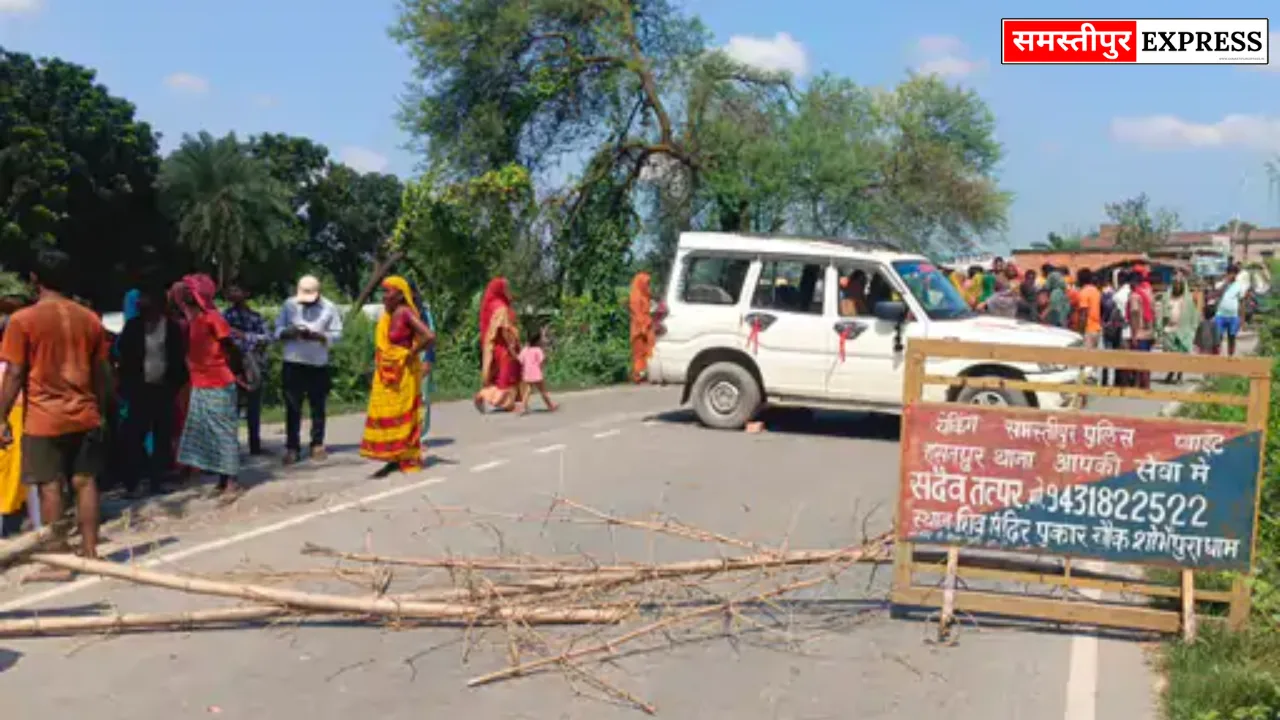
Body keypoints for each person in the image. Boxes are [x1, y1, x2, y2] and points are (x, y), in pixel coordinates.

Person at [0, 250, 110, 567]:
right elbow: (101, 372)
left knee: (50, 486)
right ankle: (90, 552)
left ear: (35, 279)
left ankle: (59, 559)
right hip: (85, 412)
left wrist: (1, 416)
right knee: (85, 482)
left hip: (44, 417)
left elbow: (15, 373)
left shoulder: (23, 321)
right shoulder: (89, 319)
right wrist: (101, 409)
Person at [173, 274, 245, 498]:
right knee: (210, 433)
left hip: (218, 382)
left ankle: (231, 481)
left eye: (188, 291)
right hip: (201, 382)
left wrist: (239, 372)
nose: (184, 294)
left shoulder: (213, 318)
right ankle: (223, 479)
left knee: (223, 431)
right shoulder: (195, 320)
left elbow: (230, 346)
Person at [117, 286, 188, 497]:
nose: (141, 303)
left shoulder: (171, 328)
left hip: (163, 390)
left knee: (162, 436)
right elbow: (124, 356)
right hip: (139, 390)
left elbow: (178, 358)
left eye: (145, 298)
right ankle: (133, 482)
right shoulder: (133, 327)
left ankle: (157, 481)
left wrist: (174, 386)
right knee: (133, 436)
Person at [360, 276, 434, 476]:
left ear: (401, 295)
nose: (384, 296)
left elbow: (429, 336)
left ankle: (406, 457)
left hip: (404, 373)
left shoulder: (405, 312)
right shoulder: (387, 315)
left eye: (388, 292)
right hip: (387, 371)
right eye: (383, 292)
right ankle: (393, 456)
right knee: (387, 413)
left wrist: (411, 353)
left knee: (403, 413)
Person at [275, 275, 344, 465]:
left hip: (317, 363)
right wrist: (287, 332)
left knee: (318, 405)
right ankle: (292, 446)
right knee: (292, 406)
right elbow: (277, 329)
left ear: (319, 293)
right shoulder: (289, 305)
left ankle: (317, 443)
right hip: (293, 362)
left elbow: (338, 333)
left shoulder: (329, 307)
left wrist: (321, 337)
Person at [223, 284, 271, 456]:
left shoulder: (255, 317)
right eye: (230, 290)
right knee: (231, 407)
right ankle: (231, 447)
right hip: (232, 366)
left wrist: (245, 336)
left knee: (254, 406)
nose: (233, 293)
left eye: (237, 290)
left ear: (247, 293)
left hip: (253, 366)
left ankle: (254, 444)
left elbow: (268, 337)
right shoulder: (224, 316)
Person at [474, 277, 522, 412]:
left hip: (495, 346)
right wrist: (512, 347)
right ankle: (488, 396)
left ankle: (508, 403)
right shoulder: (500, 307)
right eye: (506, 288)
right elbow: (504, 329)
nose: (508, 290)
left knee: (502, 375)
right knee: (508, 375)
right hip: (504, 347)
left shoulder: (491, 304)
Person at [407, 278, 438, 445]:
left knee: (422, 398)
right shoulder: (394, 310)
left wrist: (428, 359)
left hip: (420, 355)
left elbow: (430, 336)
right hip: (402, 357)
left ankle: (419, 436)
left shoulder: (423, 311)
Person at [1159, 274, 1198, 384]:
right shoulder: (1167, 297)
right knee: (1172, 354)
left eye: (1179, 284)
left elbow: (1194, 314)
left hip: (1184, 330)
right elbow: (1162, 312)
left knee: (1182, 354)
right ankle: (1171, 372)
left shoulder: (1188, 299)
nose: (1176, 286)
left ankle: (1179, 375)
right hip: (1170, 329)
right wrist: (1160, 327)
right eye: (1175, 283)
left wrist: (1193, 329)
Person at [1126, 267, 1156, 390]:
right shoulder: (1148, 292)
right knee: (1146, 361)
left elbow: (1134, 313)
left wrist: (1134, 335)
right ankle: (1146, 386)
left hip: (1139, 332)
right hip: (1149, 332)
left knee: (1138, 362)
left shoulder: (1134, 295)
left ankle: (1139, 387)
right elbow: (1153, 312)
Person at [518, 328, 559, 414]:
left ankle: (523, 407)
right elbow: (542, 361)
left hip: (527, 374)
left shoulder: (525, 350)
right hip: (536, 374)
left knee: (528, 390)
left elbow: (520, 360)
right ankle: (550, 405)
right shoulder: (538, 350)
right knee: (543, 391)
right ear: (538, 341)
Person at [1214, 265, 1247, 357]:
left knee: (1232, 337)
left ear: (1236, 274)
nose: (1232, 275)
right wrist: (1226, 283)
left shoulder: (1240, 286)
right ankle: (1217, 357)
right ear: (1227, 274)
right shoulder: (1220, 284)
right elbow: (1216, 293)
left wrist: (1242, 319)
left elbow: (1242, 302)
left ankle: (1230, 357)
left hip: (1233, 316)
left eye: (1234, 273)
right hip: (1220, 315)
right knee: (1218, 336)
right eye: (1230, 273)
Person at [629, 271, 656, 382]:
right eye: (646, 283)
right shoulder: (636, 297)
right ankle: (638, 375)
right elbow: (637, 314)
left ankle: (645, 374)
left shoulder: (645, 295)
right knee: (639, 353)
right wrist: (644, 326)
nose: (648, 285)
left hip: (646, 326)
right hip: (639, 329)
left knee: (648, 351)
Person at [1075, 268, 1102, 348]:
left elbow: (1083, 314)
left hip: (1088, 330)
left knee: (1084, 355)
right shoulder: (1096, 291)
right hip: (1097, 329)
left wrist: (1080, 332)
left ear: (1080, 280)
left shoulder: (1083, 292)